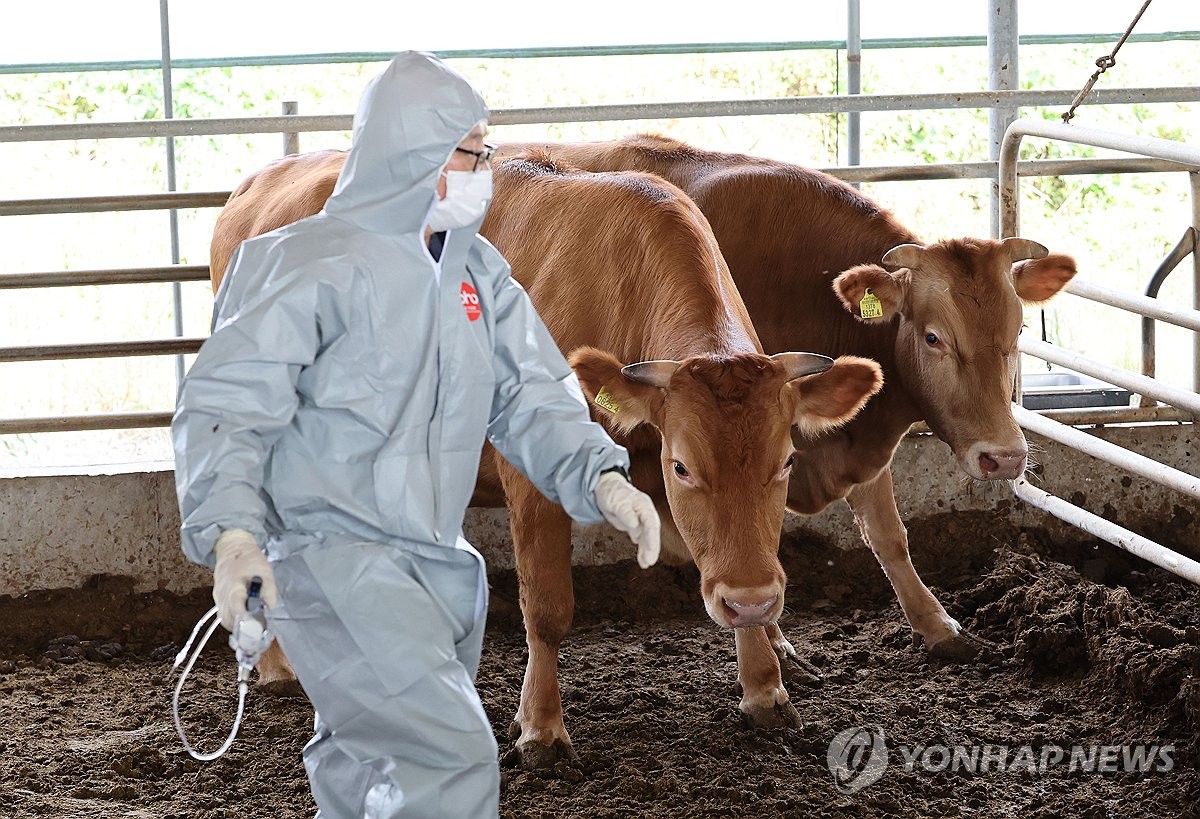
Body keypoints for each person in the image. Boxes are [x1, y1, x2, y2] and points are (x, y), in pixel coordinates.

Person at [172, 50, 661, 819]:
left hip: (432, 560)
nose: (486, 169)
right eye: (471, 154)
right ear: (415, 157)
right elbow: (230, 404)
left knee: (367, 755)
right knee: (451, 755)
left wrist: (597, 473)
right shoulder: (301, 265)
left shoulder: (473, 272)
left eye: (483, 152)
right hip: (330, 560)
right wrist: (232, 531)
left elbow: (531, 385)